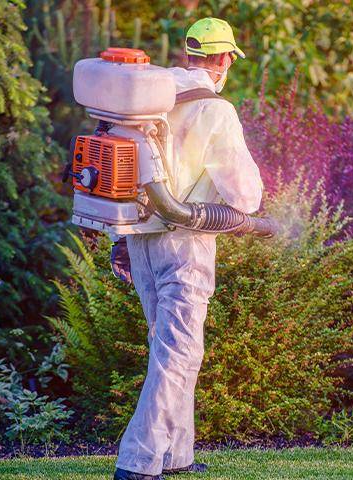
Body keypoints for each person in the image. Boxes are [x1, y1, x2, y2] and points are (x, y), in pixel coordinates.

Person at [113, 17, 263, 480]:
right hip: (186, 241)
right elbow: (244, 196)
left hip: (138, 237)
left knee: (168, 345)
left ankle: (176, 454)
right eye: (229, 60)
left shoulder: (147, 101)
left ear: (189, 53)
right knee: (179, 352)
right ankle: (137, 463)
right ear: (222, 60)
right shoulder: (215, 110)